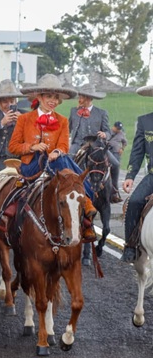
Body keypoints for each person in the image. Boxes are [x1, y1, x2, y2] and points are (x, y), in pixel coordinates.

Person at [7, 73, 97, 240]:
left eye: (56, 98)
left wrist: (57, 151)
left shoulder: (62, 120)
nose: (53, 101)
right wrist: (31, 147)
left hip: (55, 163)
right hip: (31, 166)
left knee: (62, 158)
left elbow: (63, 145)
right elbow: (13, 147)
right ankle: (88, 197)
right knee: (64, 161)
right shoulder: (25, 119)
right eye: (49, 96)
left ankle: (80, 206)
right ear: (39, 97)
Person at [69, 84, 121, 202]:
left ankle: (114, 191)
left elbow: (108, 131)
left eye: (81, 97)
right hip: (77, 144)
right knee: (67, 159)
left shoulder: (101, 113)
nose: (79, 99)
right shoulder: (74, 111)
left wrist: (104, 135)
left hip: (97, 145)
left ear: (88, 98)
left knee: (116, 164)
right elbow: (68, 128)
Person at [121, 84, 153, 263]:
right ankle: (130, 245)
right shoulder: (145, 121)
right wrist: (130, 177)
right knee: (134, 201)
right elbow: (137, 152)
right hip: (152, 176)